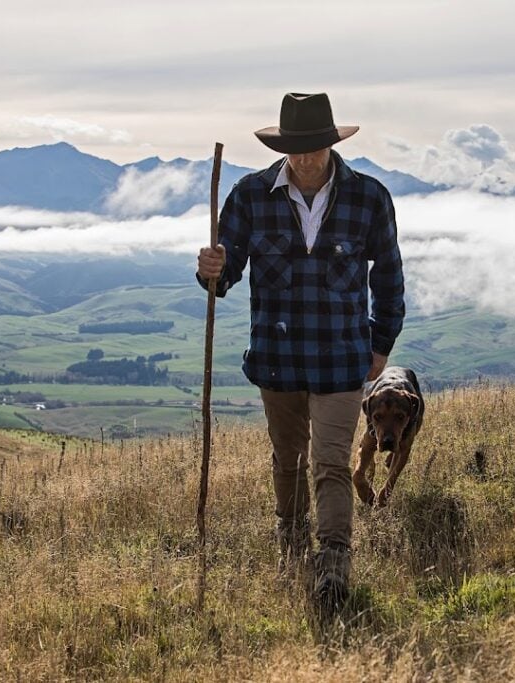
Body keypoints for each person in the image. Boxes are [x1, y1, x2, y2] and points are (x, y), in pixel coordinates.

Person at [196, 92, 405, 613]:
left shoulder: (369, 198)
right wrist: (211, 270)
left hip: (341, 358)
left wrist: (381, 345)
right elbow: (225, 277)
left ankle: (334, 559)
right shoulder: (250, 196)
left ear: (331, 144)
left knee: (331, 461)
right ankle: (290, 536)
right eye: (298, 148)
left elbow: (390, 275)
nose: (308, 158)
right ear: (283, 146)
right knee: (286, 458)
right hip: (278, 357)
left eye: (316, 147)